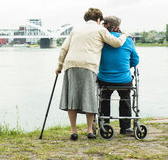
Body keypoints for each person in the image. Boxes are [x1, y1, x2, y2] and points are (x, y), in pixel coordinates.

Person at [55, 8, 128, 140]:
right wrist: (125, 35)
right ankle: (89, 131)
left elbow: (64, 48)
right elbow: (116, 43)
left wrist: (59, 66)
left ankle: (73, 131)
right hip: (88, 65)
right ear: (99, 19)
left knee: (72, 98)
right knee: (89, 97)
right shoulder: (100, 30)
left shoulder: (75, 29)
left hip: (71, 64)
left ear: (86, 18)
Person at [97, 16, 139, 136]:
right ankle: (125, 128)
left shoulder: (101, 40)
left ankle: (105, 124)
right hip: (123, 79)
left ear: (109, 24)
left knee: (104, 98)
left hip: (105, 79)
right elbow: (135, 60)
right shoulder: (128, 40)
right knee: (125, 98)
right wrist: (124, 67)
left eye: (104, 23)